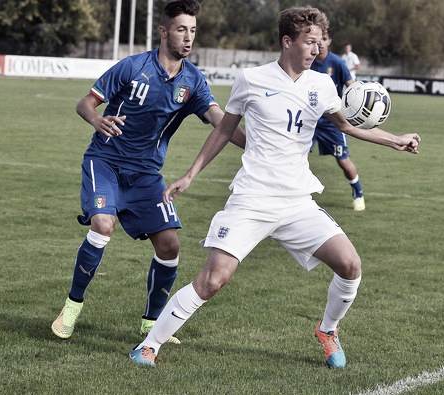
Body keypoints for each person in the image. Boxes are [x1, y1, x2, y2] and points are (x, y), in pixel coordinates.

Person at [129, 6, 420, 368]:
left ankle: (327, 330)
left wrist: (395, 140)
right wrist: (190, 174)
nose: (316, 50)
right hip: (252, 198)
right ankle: (148, 345)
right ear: (287, 41)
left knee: (350, 265)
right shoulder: (251, 79)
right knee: (212, 280)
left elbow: (345, 126)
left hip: (298, 201)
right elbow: (223, 129)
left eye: (319, 42)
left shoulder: (322, 84)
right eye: (309, 42)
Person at [51, 0, 245, 343]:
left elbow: (220, 121)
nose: (188, 37)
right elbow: (85, 103)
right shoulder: (132, 67)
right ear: (164, 31)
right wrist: (98, 120)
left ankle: (151, 322)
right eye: (182, 29)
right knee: (102, 225)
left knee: (170, 245)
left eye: (193, 31)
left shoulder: (193, 81)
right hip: (105, 162)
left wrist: (258, 147)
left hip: (146, 175)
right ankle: (72, 306)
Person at [311, 30, 366, 211]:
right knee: (297, 157)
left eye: (324, 40)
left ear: (329, 41)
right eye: (317, 40)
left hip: (333, 122)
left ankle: (358, 193)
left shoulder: (337, 63)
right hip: (309, 120)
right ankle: (294, 196)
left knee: (343, 161)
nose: (320, 43)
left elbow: (351, 87)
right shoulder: (307, 61)